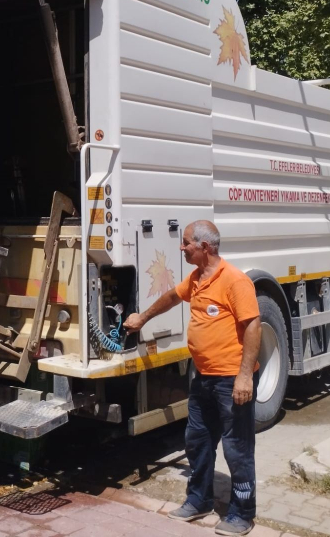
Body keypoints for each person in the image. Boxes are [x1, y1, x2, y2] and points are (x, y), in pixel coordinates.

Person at [124, 220, 262, 536]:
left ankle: (243, 513)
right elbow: (172, 296)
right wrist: (143, 317)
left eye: (186, 243)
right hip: (203, 378)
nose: (181, 247)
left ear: (204, 247)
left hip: (230, 380)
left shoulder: (235, 281)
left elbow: (253, 326)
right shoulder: (198, 279)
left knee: (237, 448)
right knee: (197, 440)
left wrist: (244, 377)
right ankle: (199, 500)